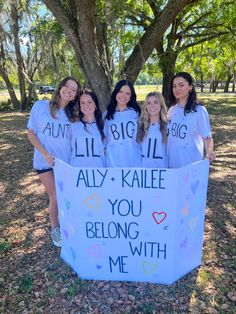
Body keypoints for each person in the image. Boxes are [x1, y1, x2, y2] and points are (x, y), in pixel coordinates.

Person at [27, 77, 81, 247]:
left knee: (66, 196)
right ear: (60, 87)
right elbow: (31, 134)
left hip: (65, 164)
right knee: (55, 195)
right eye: (67, 86)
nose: (69, 91)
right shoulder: (40, 106)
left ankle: (68, 224)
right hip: (44, 163)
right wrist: (45, 154)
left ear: (75, 95)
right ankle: (55, 227)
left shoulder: (73, 115)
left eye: (74, 90)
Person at [167, 71, 215, 168]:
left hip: (190, 166)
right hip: (171, 166)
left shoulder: (199, 111)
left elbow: (207, 137)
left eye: (181, 85)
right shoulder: (172, 110)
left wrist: (209, 152)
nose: (177, 89)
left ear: (190, 87)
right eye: (174, 86)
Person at [104, 79, 141, 167]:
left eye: (128, 93)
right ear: (116, 92)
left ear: (131, 96)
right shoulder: (106, 115)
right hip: (112, 162)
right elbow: (105, 140)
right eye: (121, 91)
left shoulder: (136, 114)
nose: (123, 96)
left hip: (133, 161)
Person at [69, 88, 106, 167]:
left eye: (89, 102)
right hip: (78, 173)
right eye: (82, 103)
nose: (86, 105)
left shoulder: (104, 126)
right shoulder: (73, 126)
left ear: (95, 104)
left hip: (99, 172)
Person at [136, 92, 168, 168]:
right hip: (144, 171)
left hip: (163, 171)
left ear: (161, 104)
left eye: (156, 102)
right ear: (145, 106)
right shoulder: (141, 125)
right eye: (149, 103)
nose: (152, 106)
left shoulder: (167, 126)